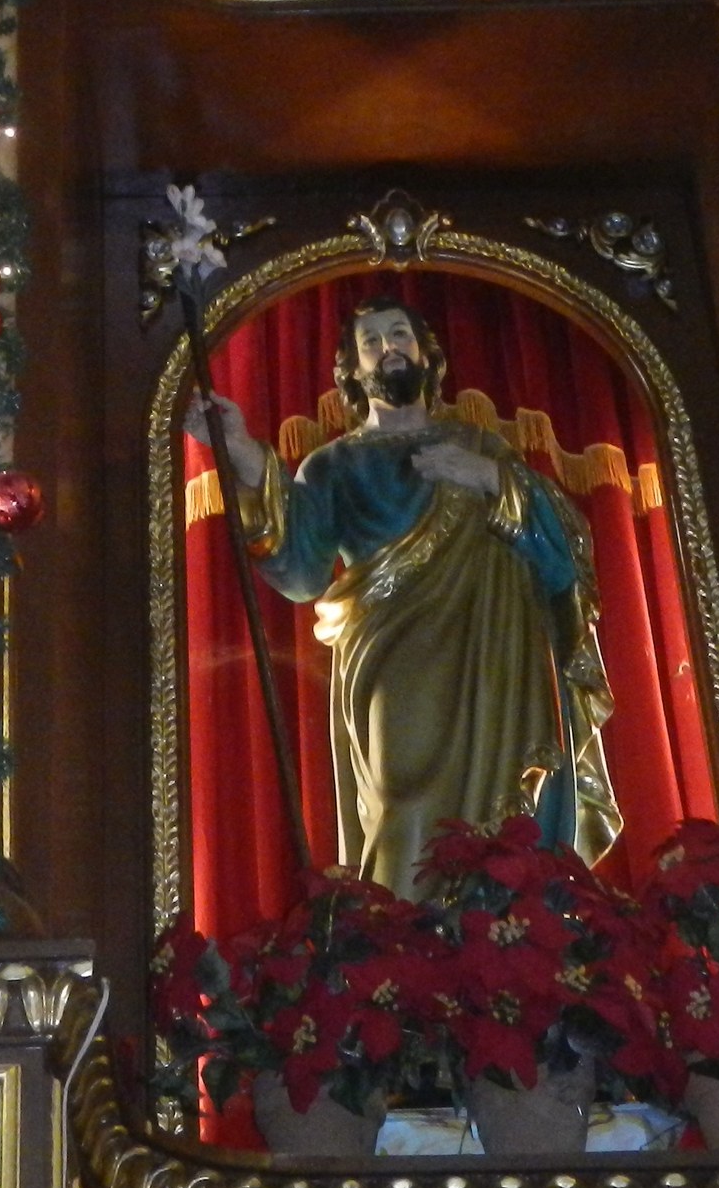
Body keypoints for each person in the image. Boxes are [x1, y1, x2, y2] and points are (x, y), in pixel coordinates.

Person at [186, 296, 617, 891]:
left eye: (399, 335)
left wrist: (490, 480)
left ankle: (509, 949)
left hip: (493, 657)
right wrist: (241, 454)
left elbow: (564, 547)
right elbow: (302, 568)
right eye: (371, 342)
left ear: (424, 353)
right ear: (354, 370)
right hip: (392, 659)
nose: (387, 348)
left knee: (510, 804)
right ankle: (399, 956)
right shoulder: (333, 465)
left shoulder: (482, 449)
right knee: (401, 792)